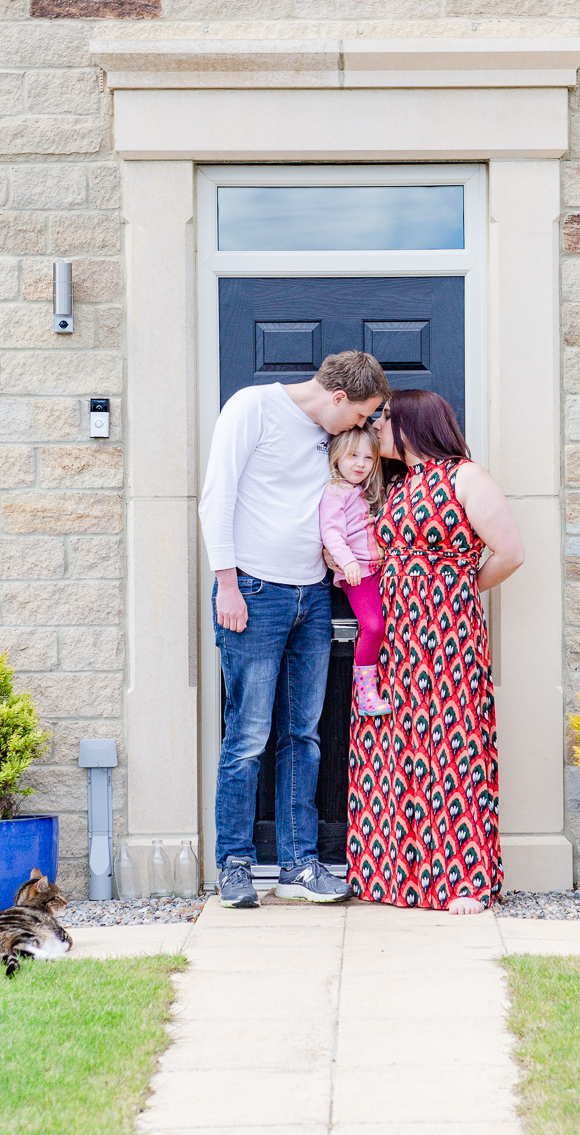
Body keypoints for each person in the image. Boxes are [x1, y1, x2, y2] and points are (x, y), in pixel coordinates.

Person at [199, 351, 390, 908]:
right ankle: (235, 864)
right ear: (337, 399)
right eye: (360, 416)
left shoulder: (330, 437)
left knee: (302, 737)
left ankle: (300, 865)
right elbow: (218, 497)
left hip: (313, 596)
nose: (361, 428)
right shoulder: (252, 408)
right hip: (255, 594)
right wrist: (227, 585)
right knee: (247, 736)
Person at [347, 389, 525, 915]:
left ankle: (463, 880)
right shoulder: (400, 486)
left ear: (411, 424)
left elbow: (511, 553)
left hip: (448, 639)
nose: (376, 427)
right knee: (392, 747)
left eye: (383, 419)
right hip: (396, 641)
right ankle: (399, 876)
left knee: (453, 749)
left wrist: (455, 588)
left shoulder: (466, 477)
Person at [319, 425, 391, 718]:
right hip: (358, 574)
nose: (360, 464)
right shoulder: (335, 491)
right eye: (352, 456)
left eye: (368, 458)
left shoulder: (360, 490)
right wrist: (347, 561)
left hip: (376, 570)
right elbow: (331, 531)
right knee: (372, 626)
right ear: (336, 457)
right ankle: (365, 694)